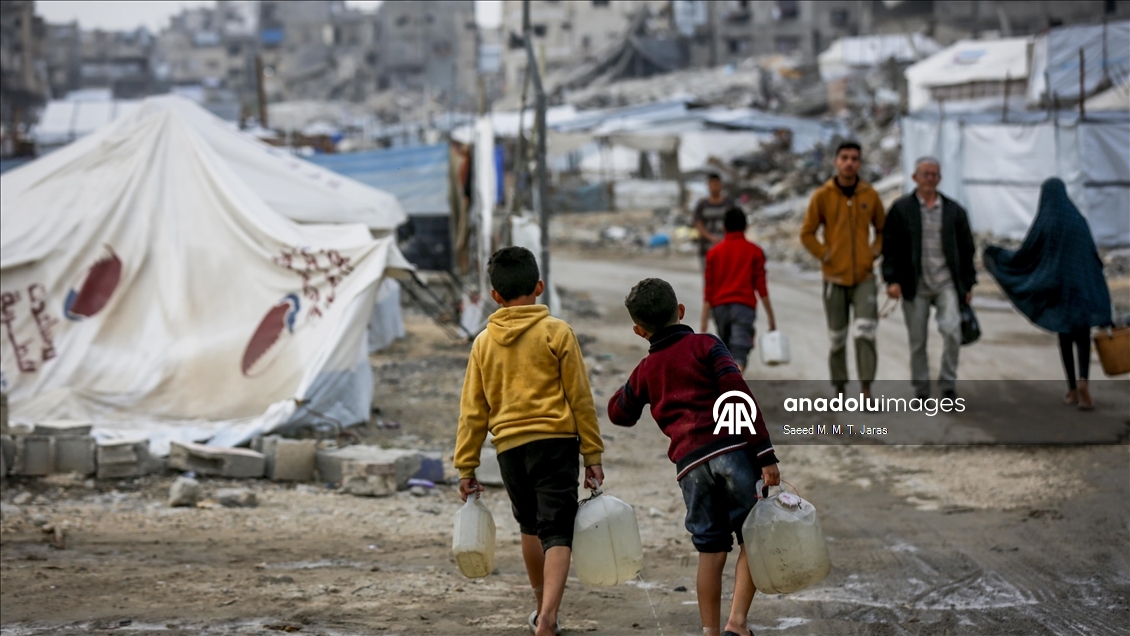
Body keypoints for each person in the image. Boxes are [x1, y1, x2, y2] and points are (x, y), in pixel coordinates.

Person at [607, 278, 780, 636]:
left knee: (710, 550)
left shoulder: (646, 370)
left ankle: (710, 631)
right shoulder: (706, 344)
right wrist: (765, 455)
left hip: (690, 468)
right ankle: (737, 622)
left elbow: (619, 413)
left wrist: (636, 385)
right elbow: (738, 393)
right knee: (754, 537)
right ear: (681, 311)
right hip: (732, 454)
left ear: (640, 331)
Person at [454, 246, 605, 636]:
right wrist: (592, 453)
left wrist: (466, 466)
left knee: (529, 528)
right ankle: (550, 617)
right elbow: (580, 398)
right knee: (557, 531)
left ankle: (540, 608)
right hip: (555, 443)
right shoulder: (557, 332)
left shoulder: (483, 343)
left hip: (509, 450)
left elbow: (473, 411)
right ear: (539, 286)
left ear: (495, 296)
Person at [983, 178, 1112, 410]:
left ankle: (1072, 389)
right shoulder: (1078, 220)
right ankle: (1084, 381)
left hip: (1057, 289)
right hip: (1081, 289)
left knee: (1064, 336)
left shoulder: (1046, 221)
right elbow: (1093, 256)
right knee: (1082, 335)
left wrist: (999, 257)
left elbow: (1027, 253)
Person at [882, 157, 977, 400]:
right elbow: (889, 247)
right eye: (925, 174)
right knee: (918, 341)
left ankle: (947, 385)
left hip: (946, 283)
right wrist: (891, 280)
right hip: (915, 284)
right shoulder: (902, 209)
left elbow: (967, 250)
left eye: (934, 174)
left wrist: (967, 283)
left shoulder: (954, 211)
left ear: (939, 178)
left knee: (953, 332)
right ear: (915, 178)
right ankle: (922, 389)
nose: (929, 179)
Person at [800, 141, 886, 398]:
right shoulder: (822, 195)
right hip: (834, 278)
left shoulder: (869, 194)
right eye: (845, 157)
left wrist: (874, 251)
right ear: (836, 161)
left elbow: (882, 229)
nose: (849, 162)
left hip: (864, 277)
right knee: (837, 337)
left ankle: (867, 389)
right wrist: (825, 254)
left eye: (854, 158)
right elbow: (807, 233)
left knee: (865, 333)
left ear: (859, 163)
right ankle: (839, 388)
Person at [702, 207, 777, 373]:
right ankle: (733, 385)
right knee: (739, 352)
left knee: (727, 351)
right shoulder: (755, 252)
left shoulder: (713, 253)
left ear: (724, 227)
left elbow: (709, 288)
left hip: (719, 309)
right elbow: (762, 288)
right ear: (746, 226)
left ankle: (728, 386)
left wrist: (704, 319)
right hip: (744, 308)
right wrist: (771, 316)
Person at [693, 173, 734, 269]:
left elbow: (735, 223)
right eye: (712, 184)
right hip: (706, 248)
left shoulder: (729, 203)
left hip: (726, 248)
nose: (715, 187)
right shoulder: (702, 205)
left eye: (717, 184)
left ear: (721, 185)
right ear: (708, 186)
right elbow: (699, 224)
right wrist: (712, 238)